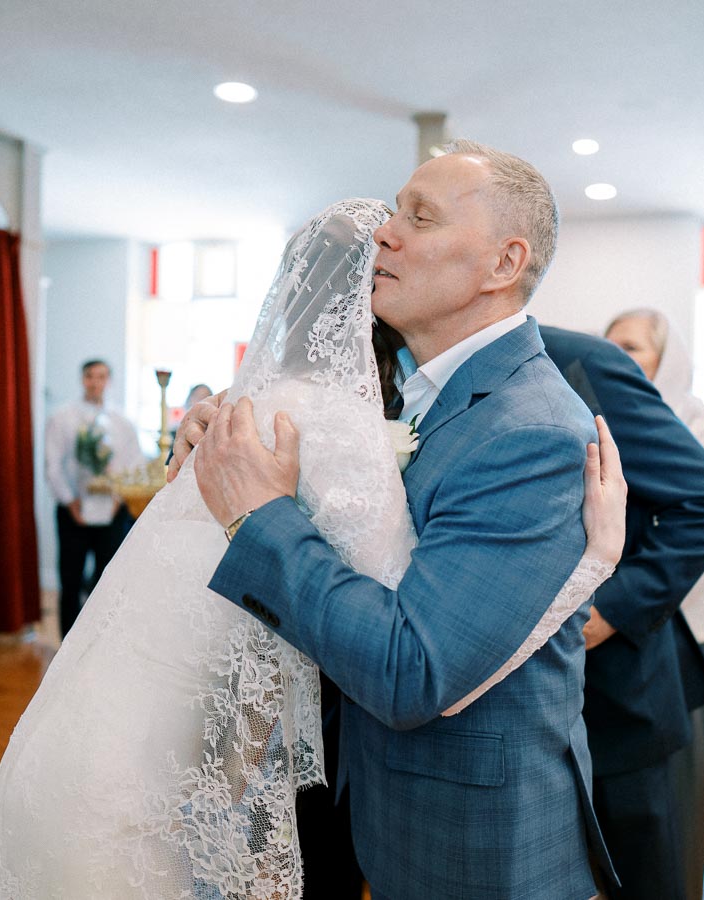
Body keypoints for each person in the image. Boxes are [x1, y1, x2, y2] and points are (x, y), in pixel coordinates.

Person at [0, 198, 627, 899]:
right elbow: (415, 656)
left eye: (422, 221)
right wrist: (590, 565)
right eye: (387, 238)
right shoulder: (336, 423)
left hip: (126, 723)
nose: (397, 241)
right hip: (209, 746)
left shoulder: (258, 406)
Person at [191, 143, 623, 900]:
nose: (384, 233)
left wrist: (259, 515)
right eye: (394, 211)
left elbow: (413, 669)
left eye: (419, 217)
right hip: (390, 810)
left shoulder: (531, 431)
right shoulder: (408, 394)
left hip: (478, 845)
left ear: (501, 264)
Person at [574, 309, 704, 900]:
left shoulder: (699, 421)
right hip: (635, 626)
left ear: (666, 357)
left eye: (635, 346)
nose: (621, 356)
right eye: (613, 342)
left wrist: (622, 606)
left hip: (685, 622)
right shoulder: (589, 406)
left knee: (669, 801)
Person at [42, 359, 144, 639]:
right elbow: (53, 463)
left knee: (107, 579)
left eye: (101, 376)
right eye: (90, 376)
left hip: (112, 510)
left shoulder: (122, 423)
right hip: (73, 508)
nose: (95, 382)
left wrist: (118, 500)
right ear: (82, 379)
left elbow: (133, 465)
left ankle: (99, 642)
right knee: (71, 578)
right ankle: (67, 644)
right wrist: (69, 500)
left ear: (108, 380)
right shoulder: (63, 418)